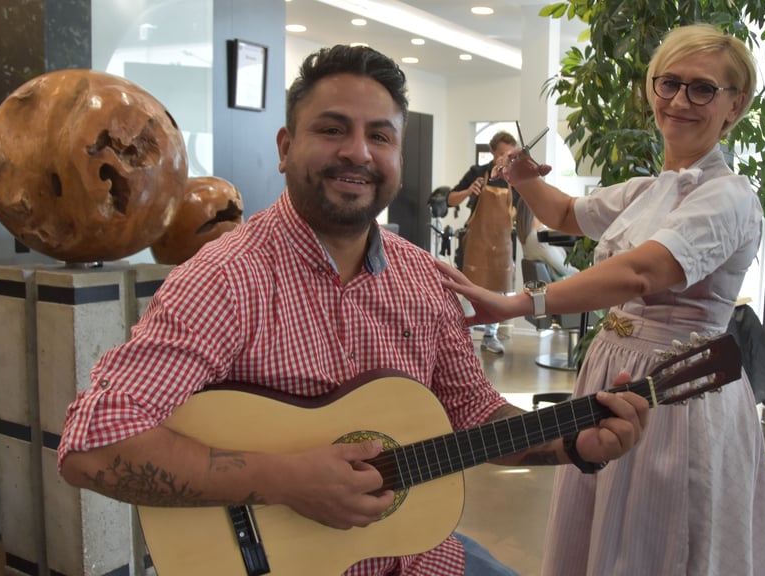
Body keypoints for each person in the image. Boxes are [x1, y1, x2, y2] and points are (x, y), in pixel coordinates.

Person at [57, 44, 650, 576]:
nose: (358, 153)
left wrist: (571, 443)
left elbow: (472, 414)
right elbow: (92, 446)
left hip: (422, 557)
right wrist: (282, 479)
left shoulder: (421, 278)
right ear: (286, 148)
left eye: (380, 136)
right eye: (332, 129)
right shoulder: (224, 281)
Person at [439, 24, 765, 575]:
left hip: (678, 384)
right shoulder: (649, 188)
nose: (680, 101)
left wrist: (523, 303)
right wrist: (522, 176)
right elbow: (567, 214)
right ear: (652, 89)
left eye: (703, 89)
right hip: (616, 369)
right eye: (669, 84)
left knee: (663, 534)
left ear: (735, 104)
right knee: (601, 520)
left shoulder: (729, 195)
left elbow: (644, 272)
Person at [448, 131, 520, 354]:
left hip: (503, 244)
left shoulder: (517, 180)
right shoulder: (478, 173)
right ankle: (464, 336)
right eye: (500, 154)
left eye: (509, 155)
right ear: (492, 152)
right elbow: (450, 199)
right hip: (477, 241)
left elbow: (523, 211)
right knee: (469, 288)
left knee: (498, 294)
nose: (504, 159)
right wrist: (469, 191)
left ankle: (491, 335)